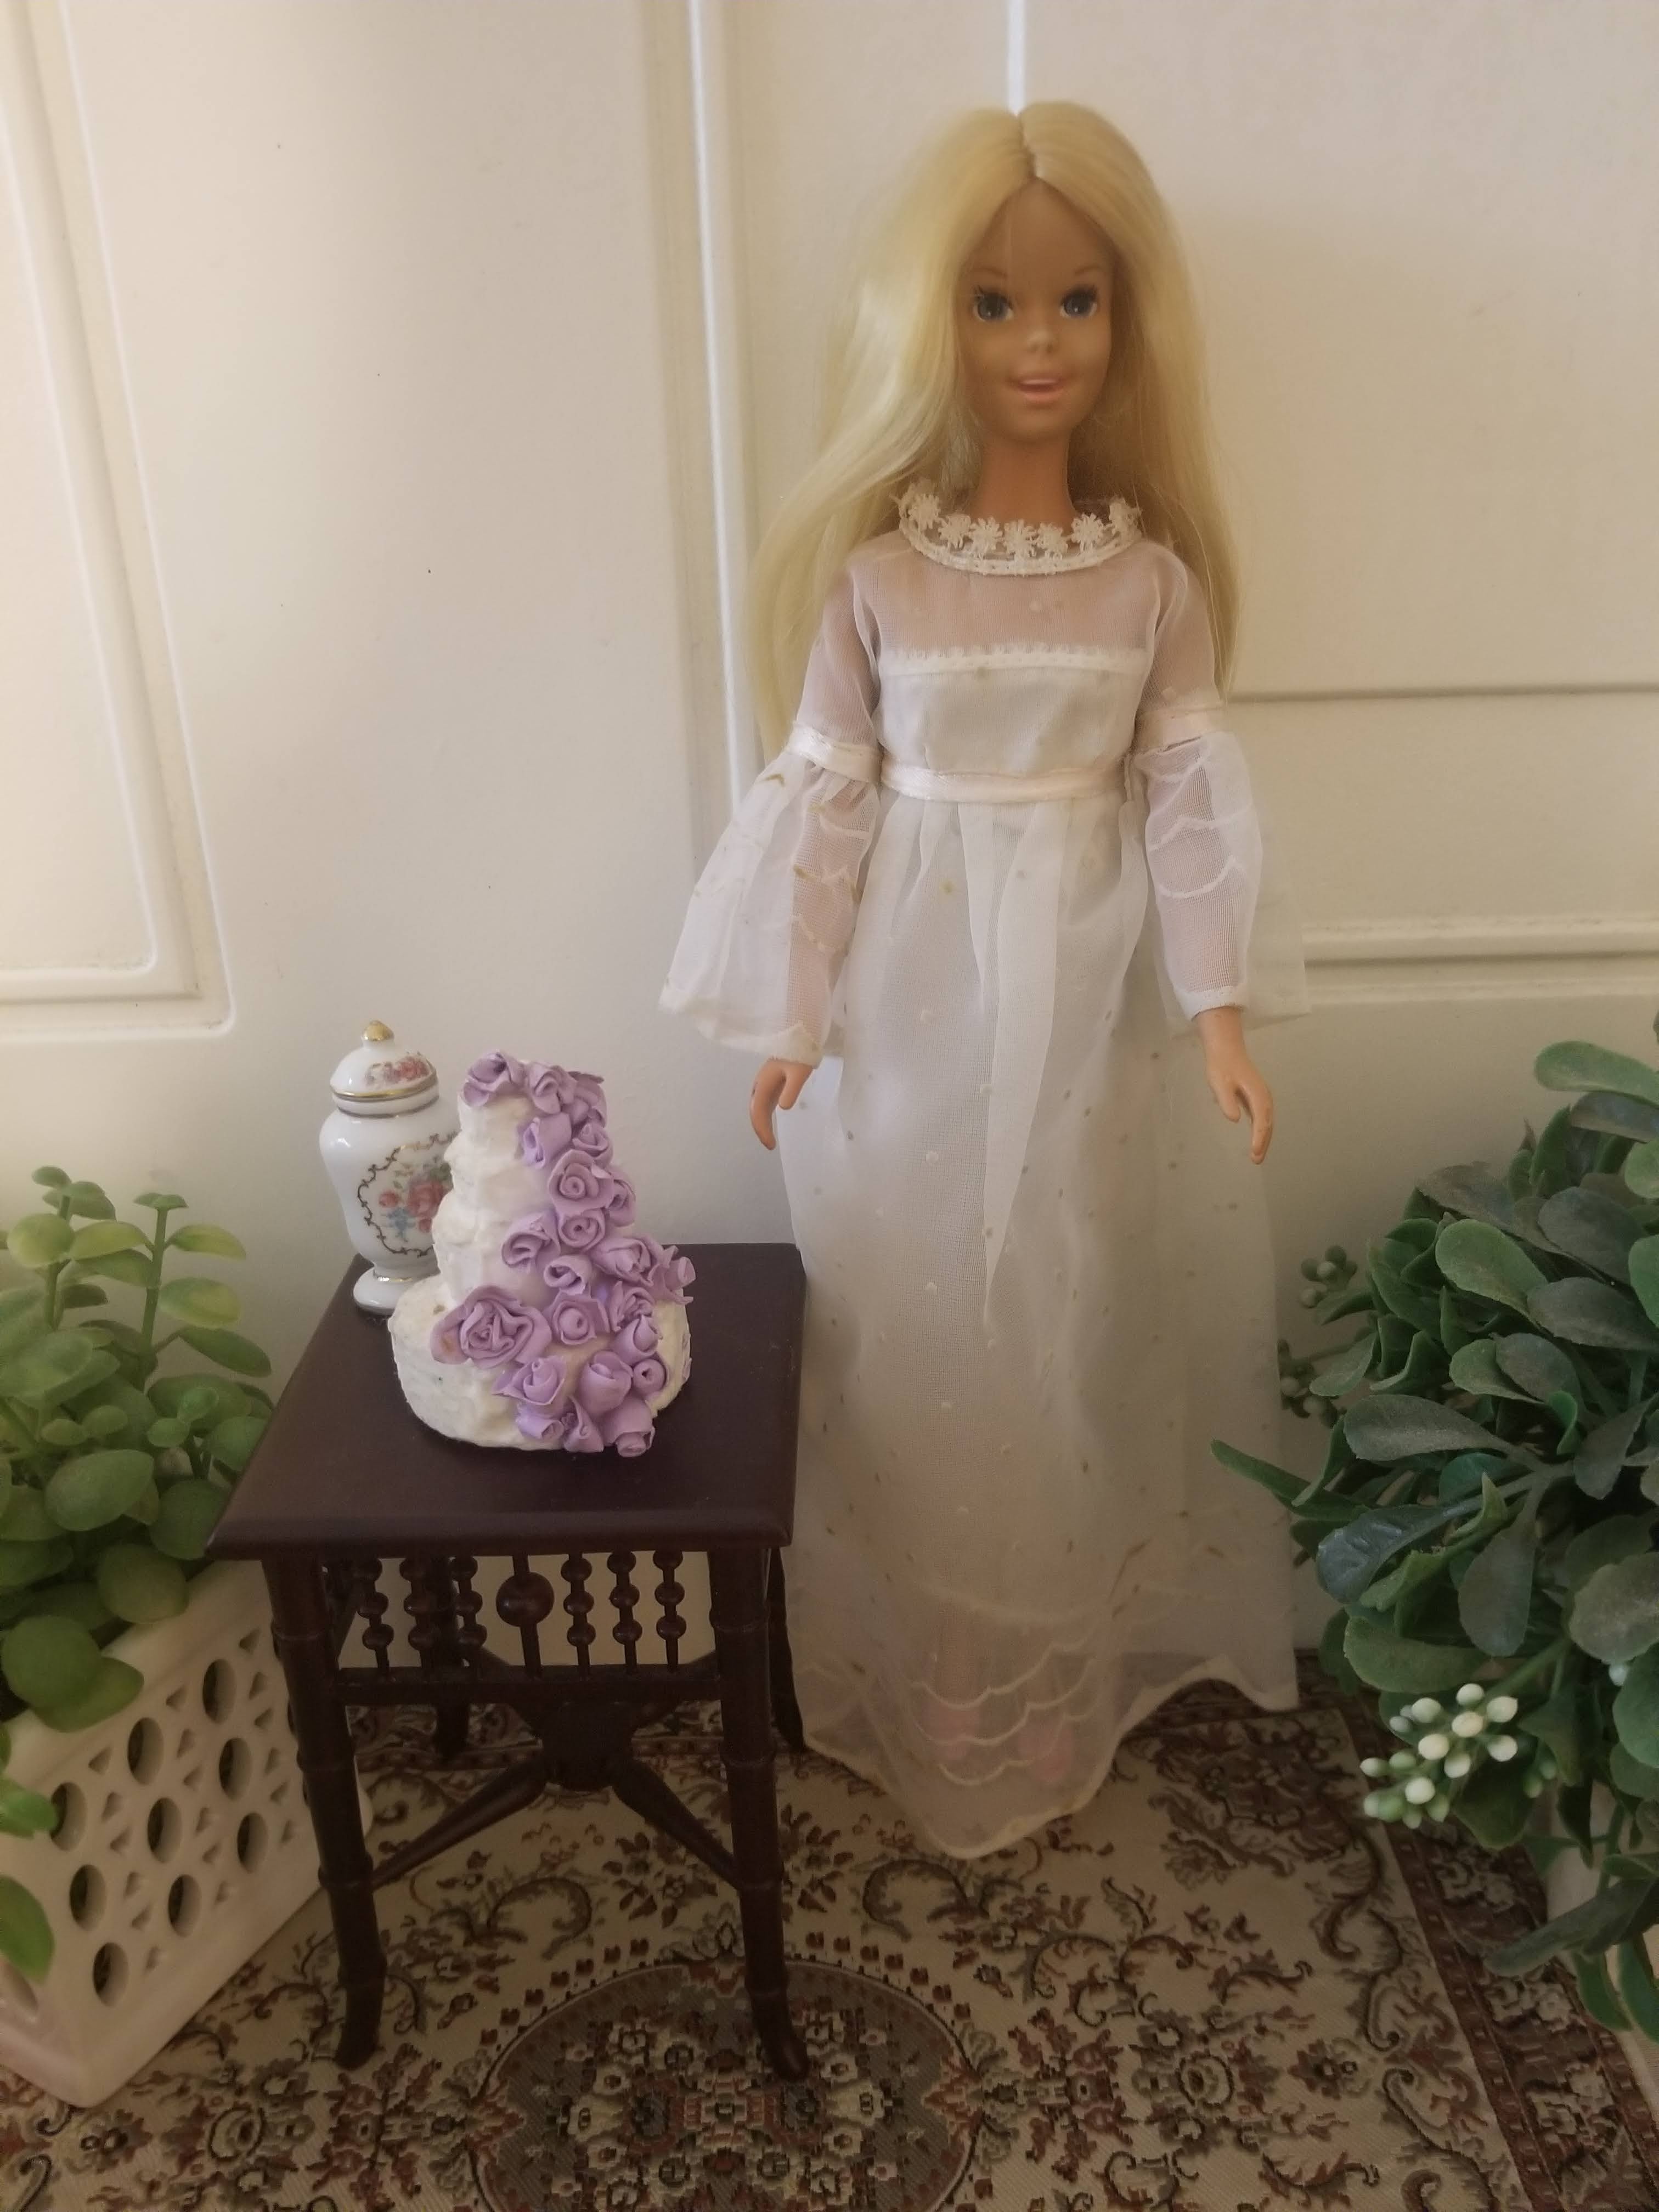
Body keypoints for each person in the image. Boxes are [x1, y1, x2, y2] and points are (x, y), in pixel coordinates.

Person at [662, 102, 1309, 1859]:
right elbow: (824, 810)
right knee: (913, 1329)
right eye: (996, 302)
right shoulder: (880, 581)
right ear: (927, 327)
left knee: (1065, 1323)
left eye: (1077, 301)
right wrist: (793, 1014)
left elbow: (1186, 803)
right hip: (909, 1018)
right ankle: (927, 1664)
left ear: (1126, 320)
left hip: (1090, 1012)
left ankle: (1043, 1669)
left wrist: (1220, 1012)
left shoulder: (1148, 584)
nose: (1040, 343)